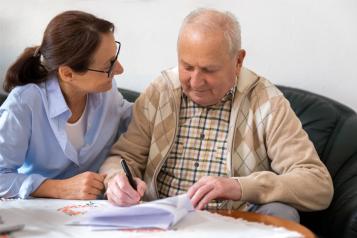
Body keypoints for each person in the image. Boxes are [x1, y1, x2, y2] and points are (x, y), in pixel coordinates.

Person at [100, 8, 333, 222]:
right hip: (162, 220)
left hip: (235, 221)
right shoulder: (161, 91)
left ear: (238, 61)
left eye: (209, 70)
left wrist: (240, 187)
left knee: (283, 213)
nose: (195, 81)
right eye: (187, 67)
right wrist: (117, 180)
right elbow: (122, 157)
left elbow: (317, 185)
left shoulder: (267, 102)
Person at [0, 10, 132, 200]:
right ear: (67, 74)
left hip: (96, 214)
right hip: (42, 217)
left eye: (115, 58)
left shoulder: (107, 92)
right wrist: (58, 188)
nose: (119, 69)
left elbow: (140, 121)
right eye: (108, 66)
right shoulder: (24, 104)